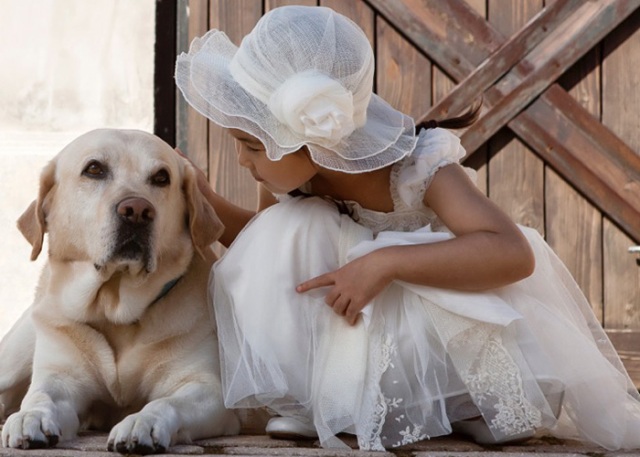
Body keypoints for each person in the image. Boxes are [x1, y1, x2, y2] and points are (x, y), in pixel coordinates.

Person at [175, 5, 640, 451]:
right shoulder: (294, 182)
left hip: (438, 322)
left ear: (309, 141)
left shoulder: (419, 167)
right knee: (289, 224)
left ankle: (468, 401)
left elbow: (512, 253)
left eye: (253, 145)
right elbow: (259, 250)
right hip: (354, 326)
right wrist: (205, 200)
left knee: (372, 250)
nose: (241, 160)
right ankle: (318, 395)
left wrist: (387, 261)